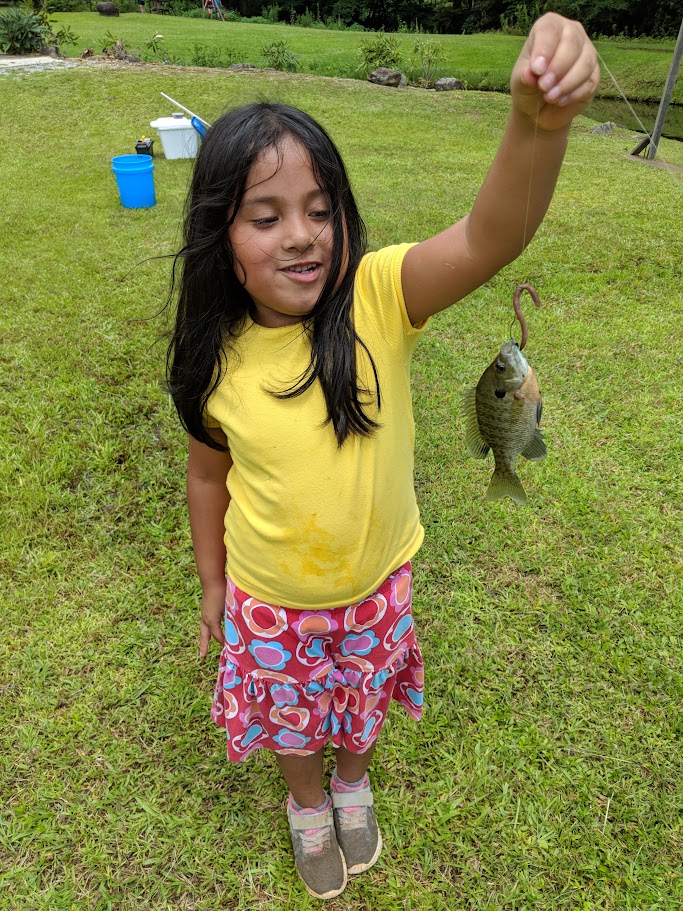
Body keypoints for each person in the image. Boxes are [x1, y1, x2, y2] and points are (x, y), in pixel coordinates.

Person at [166, 13, 598, 901]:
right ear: (221, 236)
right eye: (267, 215)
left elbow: (491, 237)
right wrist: (213, 584)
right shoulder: (212, 360)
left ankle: (352, 783)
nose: (302, 235)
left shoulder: (378, 296)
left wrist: (536, 125)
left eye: (321, 210)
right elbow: (207, 476)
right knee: (292, 724)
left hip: (377, 586)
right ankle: (306, 803)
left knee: (360, 707)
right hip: (270, 601)